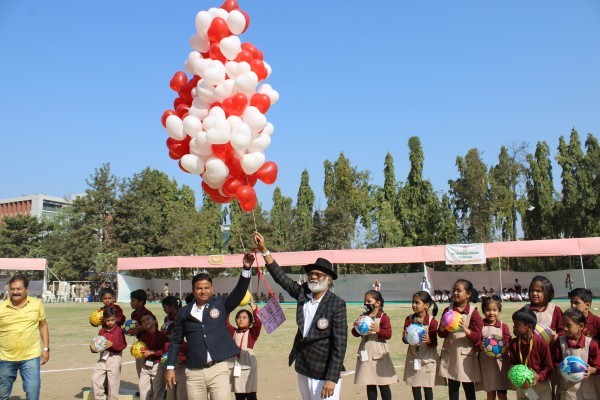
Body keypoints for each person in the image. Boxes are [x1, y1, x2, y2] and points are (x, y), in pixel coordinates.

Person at [253, 232, 347, 400]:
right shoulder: (303, 294)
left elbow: (340, 344)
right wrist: (265, 251)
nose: (314, 277)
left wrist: (332, 378)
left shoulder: (337, 304)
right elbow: (281, 278)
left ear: (329, 280)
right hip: (303, 367)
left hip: (324, 371)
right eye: (312, 274)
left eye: (319, 275)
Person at [165, 253, 254, 400]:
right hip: (194, 372)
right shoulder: (183, 313)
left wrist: (245, 269)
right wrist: (170, 367)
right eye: (199, 288)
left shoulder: (221, 304)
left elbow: (239, 293)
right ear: (193, 290)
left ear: (212, 289)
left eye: (206, 287)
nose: (203, 291)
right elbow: (175, 341)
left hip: (218, 369)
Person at [0, 274, 50, 400]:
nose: (15, 292)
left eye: (19, 289)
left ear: (26, 289)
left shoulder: (36, 305)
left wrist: (45, 349)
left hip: (30, 357)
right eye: (12, 289)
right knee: (2, 394)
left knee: (33, 391)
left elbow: (43, 326)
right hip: (5, 358)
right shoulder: (1, 307)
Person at [437, 279, 483, 400]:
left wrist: (466, 330)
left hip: (465, 356)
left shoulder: (473, 312)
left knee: (468, 386)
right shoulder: (448, 310)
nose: (455, 293)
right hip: (451, 354)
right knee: (452, 386)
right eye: (454, 290)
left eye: (459, 290)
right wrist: (442, 328)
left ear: (468, 294)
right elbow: (441, 335)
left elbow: (477, 336)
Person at [352, 290, 397, 400]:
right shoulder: (363, 316)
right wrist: (356, 328)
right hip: (365, 352)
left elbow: (388, 334)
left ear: (377, 303)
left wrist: (378, 330)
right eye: (365, 301)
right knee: (369, 382)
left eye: (369, 301)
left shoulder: (383, 317)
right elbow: (355, 333)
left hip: (379, 353)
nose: (366, 303)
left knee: (383, 383)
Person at [552, 308, 599, 399]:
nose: (565, 328)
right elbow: (555, 360)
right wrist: (559, 368)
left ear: (581, 326)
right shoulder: (559, 342)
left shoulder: (592, 344)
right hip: (567, 392)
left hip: (587, 391)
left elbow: (598, 367)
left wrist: (591, 370)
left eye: (568, 325)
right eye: (563, 325)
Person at [509, 308, 553, 399]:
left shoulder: (542, 343)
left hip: (540, 385)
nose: (514, 327)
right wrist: (514, 373)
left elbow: (549, 368)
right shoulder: (514, 343)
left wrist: (539, 377)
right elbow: (512, 363)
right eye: (514, 324)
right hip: (522, 385)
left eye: (517, 325)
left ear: (529, 327)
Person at [403, 290, 439, 400]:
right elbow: (404, 340)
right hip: (413, 357)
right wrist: (405, 337)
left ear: (426, 305)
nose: (413, 305)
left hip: (427, 359)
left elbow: (434, 343)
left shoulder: (432, 321)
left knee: (427, 387)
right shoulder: (409, 319)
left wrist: (429, 340)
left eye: (417, 302)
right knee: (415, 385)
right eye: (413, 302)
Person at [226, 297, 262, 400]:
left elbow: (258, 323)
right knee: (239, 394)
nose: (241, 319)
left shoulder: (252, 333)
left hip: (248, 365)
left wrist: (253, 308)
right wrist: (230, 307)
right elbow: (225, 323)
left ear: (250, 321)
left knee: (251, 394)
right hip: (235, 365)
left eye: (244, 317)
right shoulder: (233, 331)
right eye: (239, 317)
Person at [90, 307, 127, 400]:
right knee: (95, 379)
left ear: (115, 319)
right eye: (108, 320)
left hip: (114, 358)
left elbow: (123, 345)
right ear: (104, 320)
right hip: (103, 357)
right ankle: (99, 398)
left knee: (112, 384)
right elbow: (98, 345)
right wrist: (93, 348)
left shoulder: (119, 331)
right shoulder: (102, 331)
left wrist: (112, 345)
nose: (110, 322)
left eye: (112, 320)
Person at [478, 296, 511, 400]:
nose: (491, 313)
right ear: (483, 311)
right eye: (488, 310)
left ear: (499, 311)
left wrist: (504, 344)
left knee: (502, 392)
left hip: (501, 365)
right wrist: (481, 345)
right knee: (490, 392)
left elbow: (508, 341)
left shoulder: (503, 326)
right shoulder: (480, 326)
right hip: (487, 365)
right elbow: (476, 342)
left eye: (494, 310)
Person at [161, 296, 187, 400]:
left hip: (181, 357)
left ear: (172, 307)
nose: (164, 310)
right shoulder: (167, 318)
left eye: (165, 307)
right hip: (170, 351)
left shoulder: (182, 316)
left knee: (182, 390)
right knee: (171, 389)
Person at [137, 314, 168, 400]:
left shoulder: (162, 336)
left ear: (155, 321)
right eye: (143, 321)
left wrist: (152, 352)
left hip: (158, 366)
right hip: (146, 365)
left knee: (157, 391)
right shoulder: (144, 336)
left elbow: (165, 352)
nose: (146, 322)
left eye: (148, 319)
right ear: (142, 326)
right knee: (142, 387)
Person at [524, 275, 564, 340]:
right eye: (532, 290)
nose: (534, 293)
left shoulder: (555, 310)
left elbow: (562, 330)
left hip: (550, 348)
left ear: (547, 293)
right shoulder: (525, 310)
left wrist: (557, 336)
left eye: (538, 291)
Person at [130, 289, 156, 380]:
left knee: (148, 367)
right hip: (139, 343)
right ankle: (142, 387)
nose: (131, 303)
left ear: (141, 302)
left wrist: (143, 328)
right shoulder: (133, 314)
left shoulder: (147, 314)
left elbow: (155, 325)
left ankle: (150, 389)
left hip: (149, 343)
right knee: (139, 366)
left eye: (133, 300)